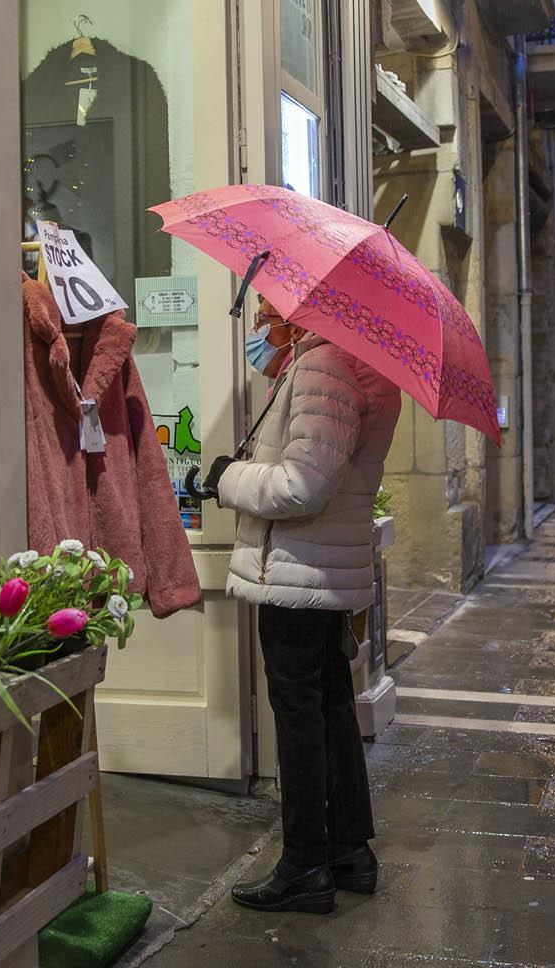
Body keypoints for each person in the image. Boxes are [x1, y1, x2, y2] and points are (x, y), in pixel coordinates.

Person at [204, 298, 401, 915]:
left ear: (305, 300)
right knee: (331, 705)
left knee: (299, 717)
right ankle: (347, 852)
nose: (260, 308)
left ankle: (303, 866)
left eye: (270, 297)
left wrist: (226, 478)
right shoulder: (347, 361)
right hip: (319, 569)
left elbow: (302, 484)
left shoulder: (326, 365)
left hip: (295, 570)